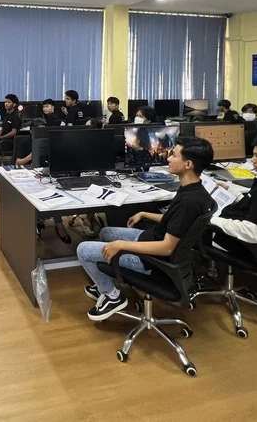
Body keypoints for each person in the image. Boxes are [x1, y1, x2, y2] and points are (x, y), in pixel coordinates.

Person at [76, 137, 216, 321]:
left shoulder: (189, 202)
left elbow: (166, 248)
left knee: (83, 250)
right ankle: (104, 282)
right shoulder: (193, 190)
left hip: (152, 260)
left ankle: (112, 296)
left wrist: (121, 245)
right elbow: (175, 221)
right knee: (105, 232)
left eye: (174, 155)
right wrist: (144, 214)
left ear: (188, 164)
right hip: (151, 239)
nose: (168, 158)